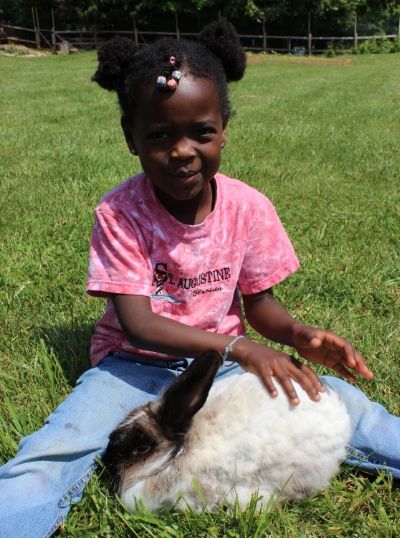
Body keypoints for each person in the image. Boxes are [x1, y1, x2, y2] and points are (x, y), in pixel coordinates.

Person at [0, 19, 399, 538]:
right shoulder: (120, 213)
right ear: (130, 138)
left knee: (346, 405)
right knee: (57, 449)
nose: (182, 151)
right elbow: (138, 324)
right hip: (132, 367)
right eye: (159, 135)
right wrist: (239, 348)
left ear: (224, 129)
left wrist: (297, 334)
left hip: (223, 369)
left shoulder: (248, 207)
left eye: (201, 133)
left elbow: (260, 305)